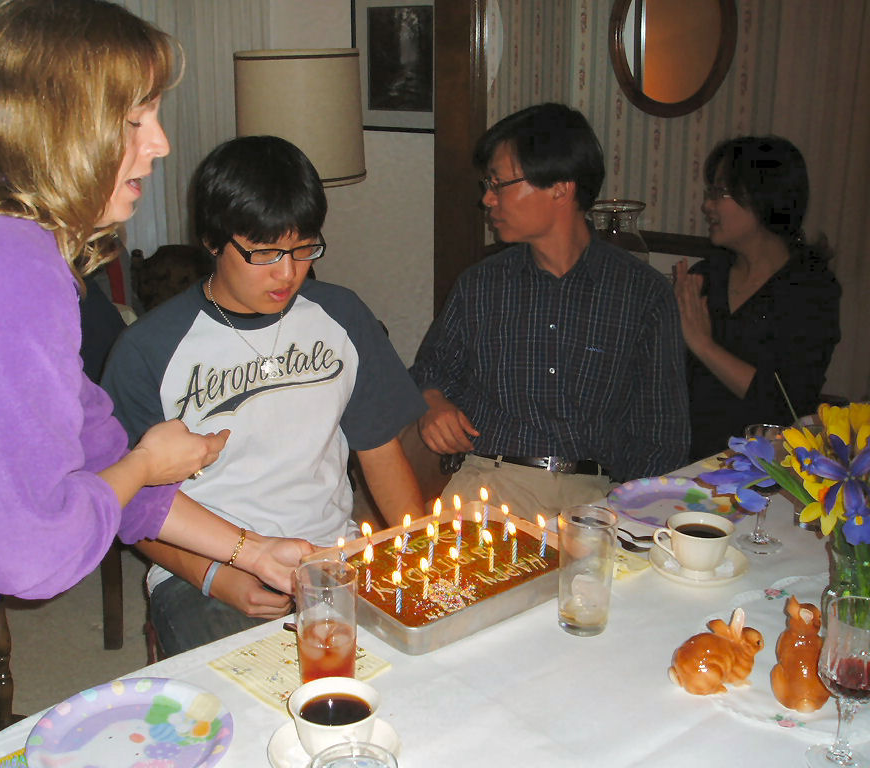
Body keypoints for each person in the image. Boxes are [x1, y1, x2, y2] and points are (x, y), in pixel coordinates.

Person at [0, 3, 311, 766]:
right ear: (52, 123)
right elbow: (30, 554)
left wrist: (252, 551)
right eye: (134, 119)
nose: (159, 144)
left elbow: (98, 450)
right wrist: (147, 464)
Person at [102, 135, 426, 655]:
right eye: (265, 252)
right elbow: (127, 502)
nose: (288, 272)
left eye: (303, 249)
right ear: (212, 240)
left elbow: (381, 452)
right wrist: (215, 576)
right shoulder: (148, 350)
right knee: (251, 691)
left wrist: (420, 552)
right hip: (204, 568)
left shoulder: (342, 317)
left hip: (332, 556)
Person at [410, 102, 690, 517]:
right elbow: (428, 371)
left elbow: (662, 435)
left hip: (596, 496)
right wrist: (432, 402)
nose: (487, 199)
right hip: (490, 482)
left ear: (560, 187)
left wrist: (632, 516)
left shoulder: (641, 292)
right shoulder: (482, 284)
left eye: (499, 184)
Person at [674, 136, 841, 460]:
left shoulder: (810, 289)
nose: (707, 206)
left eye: (719, 193)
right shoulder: (706, 276)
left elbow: (785, 404)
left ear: (763, 197)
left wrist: (704, 345)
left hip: (764, 469)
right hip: (686, 464)